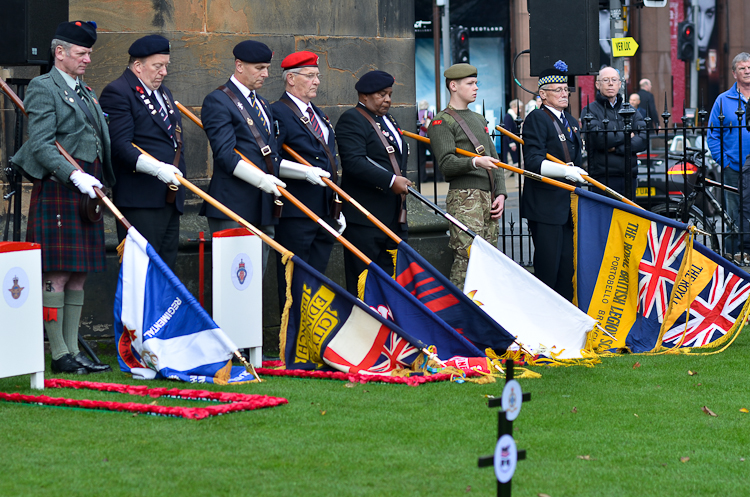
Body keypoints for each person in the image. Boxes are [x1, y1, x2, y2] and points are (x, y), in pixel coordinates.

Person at [10, 21, 113, 374]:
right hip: (61, 186)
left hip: (87, 190)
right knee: (56, 274)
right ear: (60, 52)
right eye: (81, 53)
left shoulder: (85, 90)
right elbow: (40, 143)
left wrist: (96, 179)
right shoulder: (43, 87)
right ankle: (58, 353)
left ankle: (74, 351)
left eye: (88, 53)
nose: (87, 59)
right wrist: (73, 175)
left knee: (79, 274)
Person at [200, 40, 327, 273]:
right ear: (239, 65)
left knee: (255, 285)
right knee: (235, 285)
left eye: (267, 68)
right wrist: (262, 179)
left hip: (264, 206)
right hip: (234, 205)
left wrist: (305, 172)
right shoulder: (218, 100)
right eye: (259, 68)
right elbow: (226, 156)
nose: (266, 74)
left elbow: (271, 158)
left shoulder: (262, 104)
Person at [99, 35, 185, 270]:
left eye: (166, 66)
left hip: (169, 196)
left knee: (166, 274)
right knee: (142, 274)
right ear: (138, 66)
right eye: (158, 66)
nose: (164, 72)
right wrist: (157, 169)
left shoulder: (163, 92)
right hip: (141, 200)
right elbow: (120, 146)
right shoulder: (118, 92)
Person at [428, 63, 506, 289]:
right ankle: (458, 314)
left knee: (488, 259)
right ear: (453, 86)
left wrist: (500, 193)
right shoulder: (442, 121)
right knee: (467, 258)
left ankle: (482, 312)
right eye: (470, 83)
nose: (476, 88)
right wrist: (474, 161)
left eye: (476, 83)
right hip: (464, 198)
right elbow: (446, 164)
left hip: (487, 197)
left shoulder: (478, 119)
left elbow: (494, 158)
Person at [335, 70, 412, 294]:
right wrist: (390, 181)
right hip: (366, 218)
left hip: (393, 215)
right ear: (364, 96)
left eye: (389, 94)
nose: (388, 99)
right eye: (381, 94)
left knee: (394, 283)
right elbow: (354, 162)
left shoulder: (389, 120)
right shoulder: (353, 119)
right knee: (365, 284)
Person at [270, 51, 336, 305]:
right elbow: (272, 160)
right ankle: (293, 338)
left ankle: (311, 337)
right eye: (309, 76)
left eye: (317, 76)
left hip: (324, 209)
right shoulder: (278, 111)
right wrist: (303, 172)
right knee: (295, 283)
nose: (316, 81)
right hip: (296, 211)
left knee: (316, 281)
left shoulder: (318, 114)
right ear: (291, 79)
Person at [521, 60, 587, 301]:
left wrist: (579, 172)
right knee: (548, 271)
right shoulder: (537, 118)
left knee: (566, 271)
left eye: (565, 89)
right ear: (543, 94)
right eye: (557, 89)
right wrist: (565, 172)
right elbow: (533, 161)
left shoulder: (571, 121)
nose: (563, 93)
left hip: (568, 206)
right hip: (546, 206)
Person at [707, 52, 750, 258]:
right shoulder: (723, 100)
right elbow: (713, 135)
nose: (747, 71)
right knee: (732, 217)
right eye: (742, 68)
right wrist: (724, 162)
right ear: (734, 73)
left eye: (749, 67)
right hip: (734, 167)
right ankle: (733, 259)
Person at [582, 66, 647, 198]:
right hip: (602, 177)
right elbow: (599, 139)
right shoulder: (590, 110)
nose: (610, 83)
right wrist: (628, 134)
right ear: (597, 84)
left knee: (627, 217)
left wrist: (616, 148)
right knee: (604, 218)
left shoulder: (630, 110)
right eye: (606, 80)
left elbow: (643, 139)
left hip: (629, 176)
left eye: (614, 80)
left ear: (619, 84)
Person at [502, 98, 523, 167]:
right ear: (513, 107)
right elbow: (507, 130)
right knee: (511, 163)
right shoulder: (509, 116)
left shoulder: (513, 116)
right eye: (519, 108)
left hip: (513, 142)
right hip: (509, 143)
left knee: (515, 163)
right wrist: (511, 142)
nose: (520, 110)